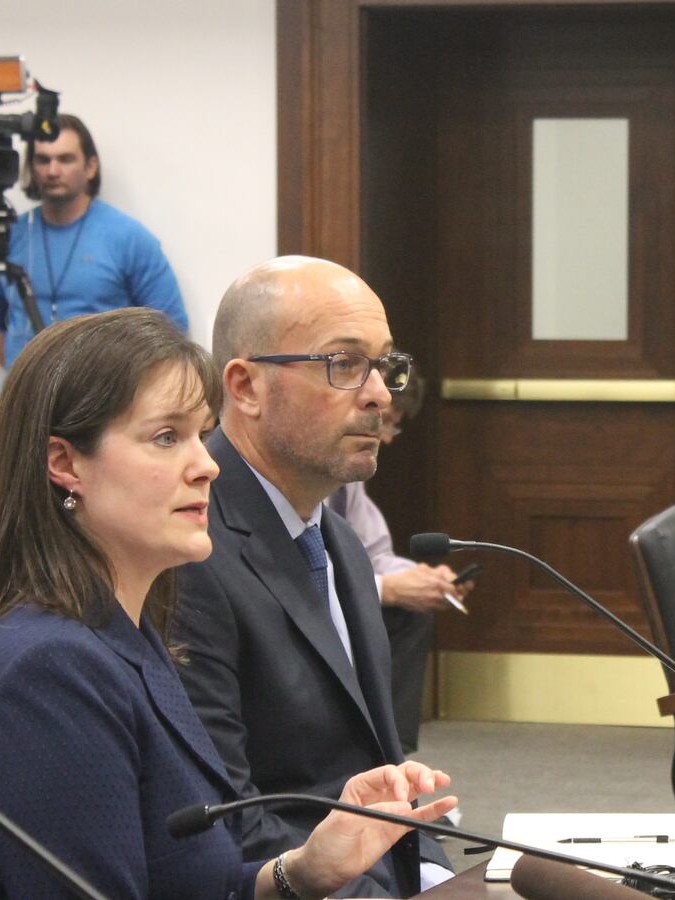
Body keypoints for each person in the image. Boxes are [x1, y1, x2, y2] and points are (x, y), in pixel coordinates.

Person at [0, 308, 455, 899]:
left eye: (201, 433)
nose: (206, 465)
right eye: (166, 438)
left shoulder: (128, 635)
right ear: (65, 464)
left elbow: (195, 885)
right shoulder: (50, 671)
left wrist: (303, 870)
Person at [173, 257, 452, 898]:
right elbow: (231, 825)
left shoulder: (339, 542)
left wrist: (439, 879)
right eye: (344, 364)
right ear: (244, 387)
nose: (382, 394)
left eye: (386, 365)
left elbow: (381, 767)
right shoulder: (189, 548)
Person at [326, 372, 474, 755]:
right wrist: (387, 588)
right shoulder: (321, 463)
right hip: (306, 607)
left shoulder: (351, 475)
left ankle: (393, 755)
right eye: (386, 422)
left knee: (413, 608)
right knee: (395, 602)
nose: (388, 438)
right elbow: (301, 569)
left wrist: (420, 578)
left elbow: (372, 553)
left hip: (340, 597)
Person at [0, 114, 186, 368]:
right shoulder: (12, 236)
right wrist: (27, 375)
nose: (53, 171)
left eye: (65, 159)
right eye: (43, 160)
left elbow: (172, 329)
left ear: (90, 167)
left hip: (104, 399)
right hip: (26, 402)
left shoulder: (128, 238)